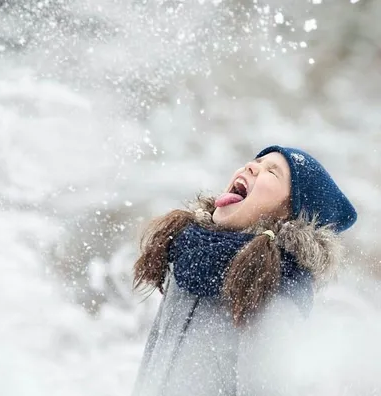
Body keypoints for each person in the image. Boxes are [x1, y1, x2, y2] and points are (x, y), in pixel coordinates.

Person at [131, 145, 357, 396]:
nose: (251, 166)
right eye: (256, 161)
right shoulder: (189, 257)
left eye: (272, 172)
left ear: (290, 216)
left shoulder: (274, 289)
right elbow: (150, 368)